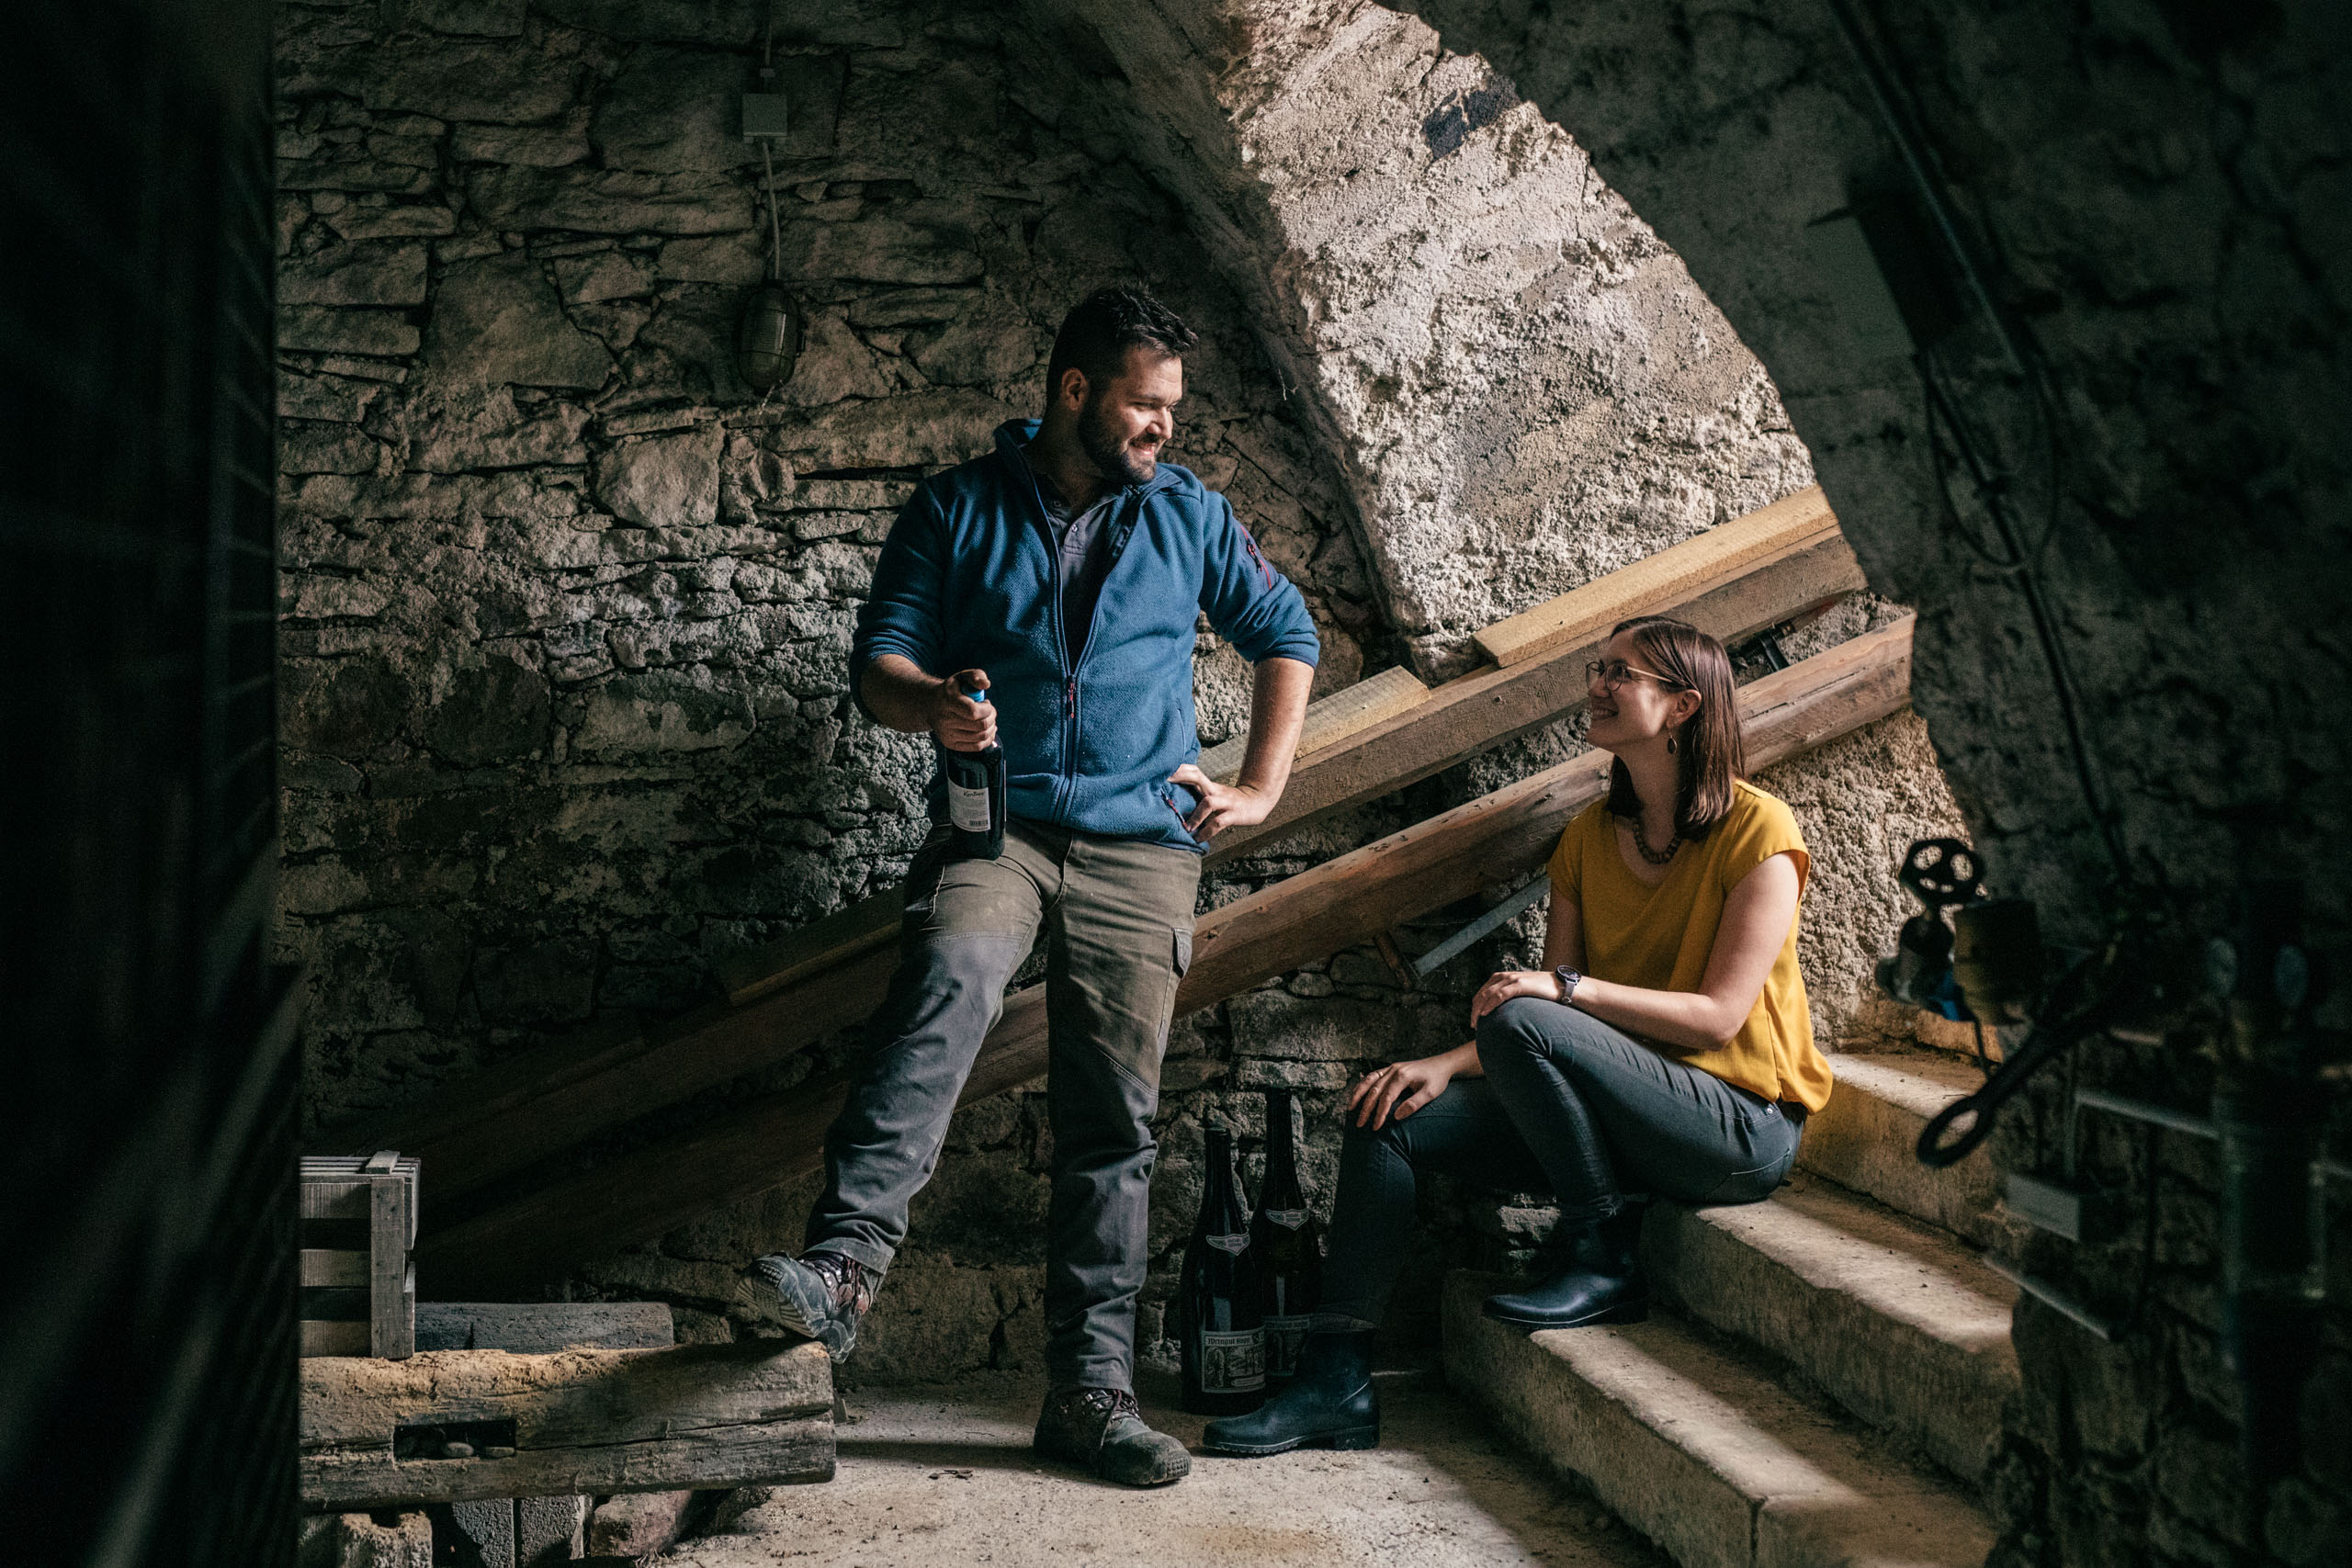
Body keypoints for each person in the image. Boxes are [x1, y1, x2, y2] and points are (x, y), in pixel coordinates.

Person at [737, 286, 1319, 1488]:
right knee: (947, 976)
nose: (1162, 426)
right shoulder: (955, 507)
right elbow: (879, 665)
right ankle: (843, 1272)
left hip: (1141, 843)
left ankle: (1091, 1392)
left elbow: (1287, 632)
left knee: (1114, 1110)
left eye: (1171, 408)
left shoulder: (1191, 514)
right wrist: (934, 706)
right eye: (1144, 404)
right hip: (996, 827)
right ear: (1075, 390)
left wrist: (1260, 786)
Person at [1204, 615, 1831, 1458]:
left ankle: (1600, 1251)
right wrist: (1443, 1064)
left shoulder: (1762, 831)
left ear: (1683, 706)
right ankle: (1335, 1379)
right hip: (1617, 1119)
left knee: (1524, 1008)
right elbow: (1538, 1030)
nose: (1597, 686)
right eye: (1596, 668)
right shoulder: (1587, 839)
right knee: (1386, 1116)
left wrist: (1561, 989)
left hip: (1735, 1125)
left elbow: (1716, 1015)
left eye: (1620, 673)